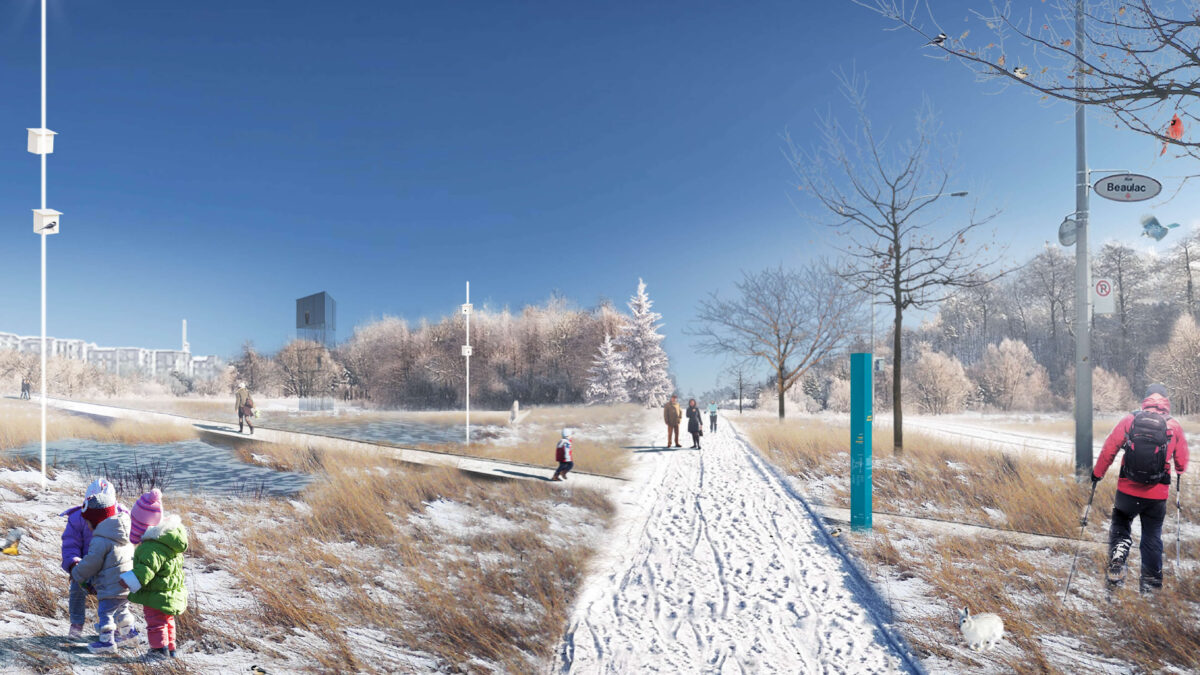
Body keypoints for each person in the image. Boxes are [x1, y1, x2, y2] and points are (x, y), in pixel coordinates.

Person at [1093, 383, 1189, 593]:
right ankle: (1151, 584)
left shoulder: (1130, 420)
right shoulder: (1173, 425)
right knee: (1152, 536)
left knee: (1121, 526)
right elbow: (1182, 462)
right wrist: (1179, 469)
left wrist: (1097, 474)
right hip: (1157, 495)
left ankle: (1117, 563)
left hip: (1127, 491)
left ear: (1145, 400)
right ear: (1165, 402)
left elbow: (1109, 448)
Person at [60, 478, 130, 640]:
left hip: (113, 567)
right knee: (76, 589)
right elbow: (71, 544)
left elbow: (129, 543)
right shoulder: (78, 517)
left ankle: (122, 627)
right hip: (88, 566)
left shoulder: (122, 518)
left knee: (119, 595)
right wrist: (74, 564)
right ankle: (76, 625)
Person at [121, 497, 188, 662]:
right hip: (169, 591)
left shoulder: (151, 547)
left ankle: (158, 652)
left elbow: (146, 570)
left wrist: (128, 580)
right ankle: (170, 649)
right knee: (167, 620)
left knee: (156, 622)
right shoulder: (167, 540)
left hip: (156, 593)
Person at [70, 489, 136, 654]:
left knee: (105, 612)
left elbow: (92, 563)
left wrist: (77, 573)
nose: (87, 526)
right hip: (127, 584)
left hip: (110, 587)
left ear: (96, 522)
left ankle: (107, 642)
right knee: (123, 608)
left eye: (88, 522)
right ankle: (130, 634)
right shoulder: (124, 534)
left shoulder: (100, 540)